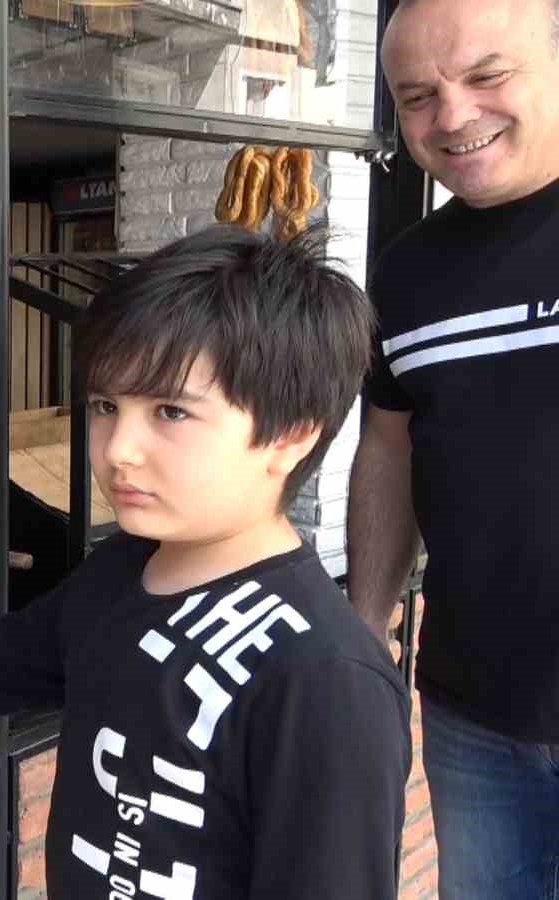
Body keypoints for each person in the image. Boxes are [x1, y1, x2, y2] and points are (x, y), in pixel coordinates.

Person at [0, 228, 410, 898]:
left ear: (289, 434)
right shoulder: (120, 573)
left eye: (171, 411)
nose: (119, 448)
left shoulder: (325, 679)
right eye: (105, 406)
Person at [349, 0, 559, 895]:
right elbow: (388, 452)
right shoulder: (404, 272)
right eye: (418, 96)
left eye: (486, 76)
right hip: (475, 716)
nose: (454, 117)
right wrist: (364, 631)